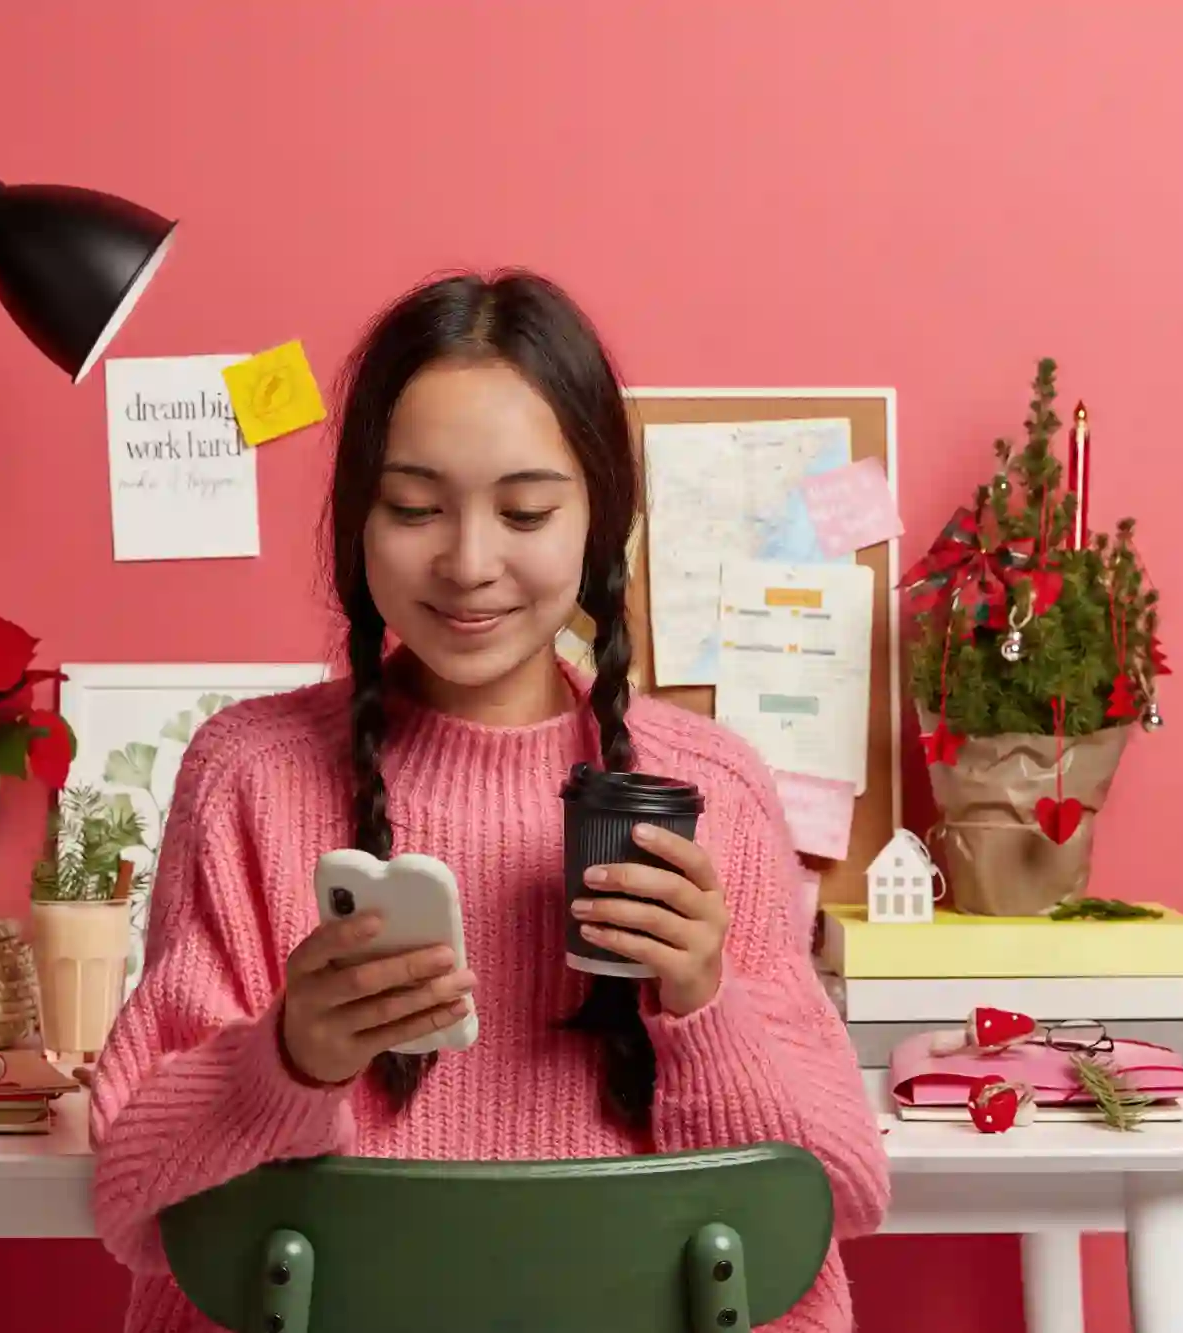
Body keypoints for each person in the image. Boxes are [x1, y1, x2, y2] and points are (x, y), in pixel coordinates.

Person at [89, 269, 890, 1332]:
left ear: (600, 518)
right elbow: (131, 1196)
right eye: (415, 506)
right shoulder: (250, 777)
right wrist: (288, 1058)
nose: (468, 563)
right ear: (355, 522)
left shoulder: (712, 790)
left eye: (523, 510)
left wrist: (703, 1007)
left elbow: (836, 1197)